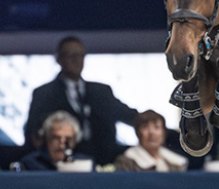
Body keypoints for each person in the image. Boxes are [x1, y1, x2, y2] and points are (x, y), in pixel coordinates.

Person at [24, 36, 138, 165]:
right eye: (70, 55)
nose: (76, 59)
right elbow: (32, 133)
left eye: (80, 55)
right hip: (62, 165)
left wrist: (150, 123)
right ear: (59, 59)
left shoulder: (101, 91)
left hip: (104, 163)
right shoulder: (44, 93)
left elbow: (128, 116)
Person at [114, 110, 188, 172]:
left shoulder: (176, 163)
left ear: (164, 133)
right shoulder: (126, 162)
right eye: (145, 127)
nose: (151, 133)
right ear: (138, 133)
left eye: (157, 127)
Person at [20, 111, 92, 170]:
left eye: (68, 139)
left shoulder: (85, 164)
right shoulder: (29, 164)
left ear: (75, 141)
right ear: (46, 138)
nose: (62, 144)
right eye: (56, 138)